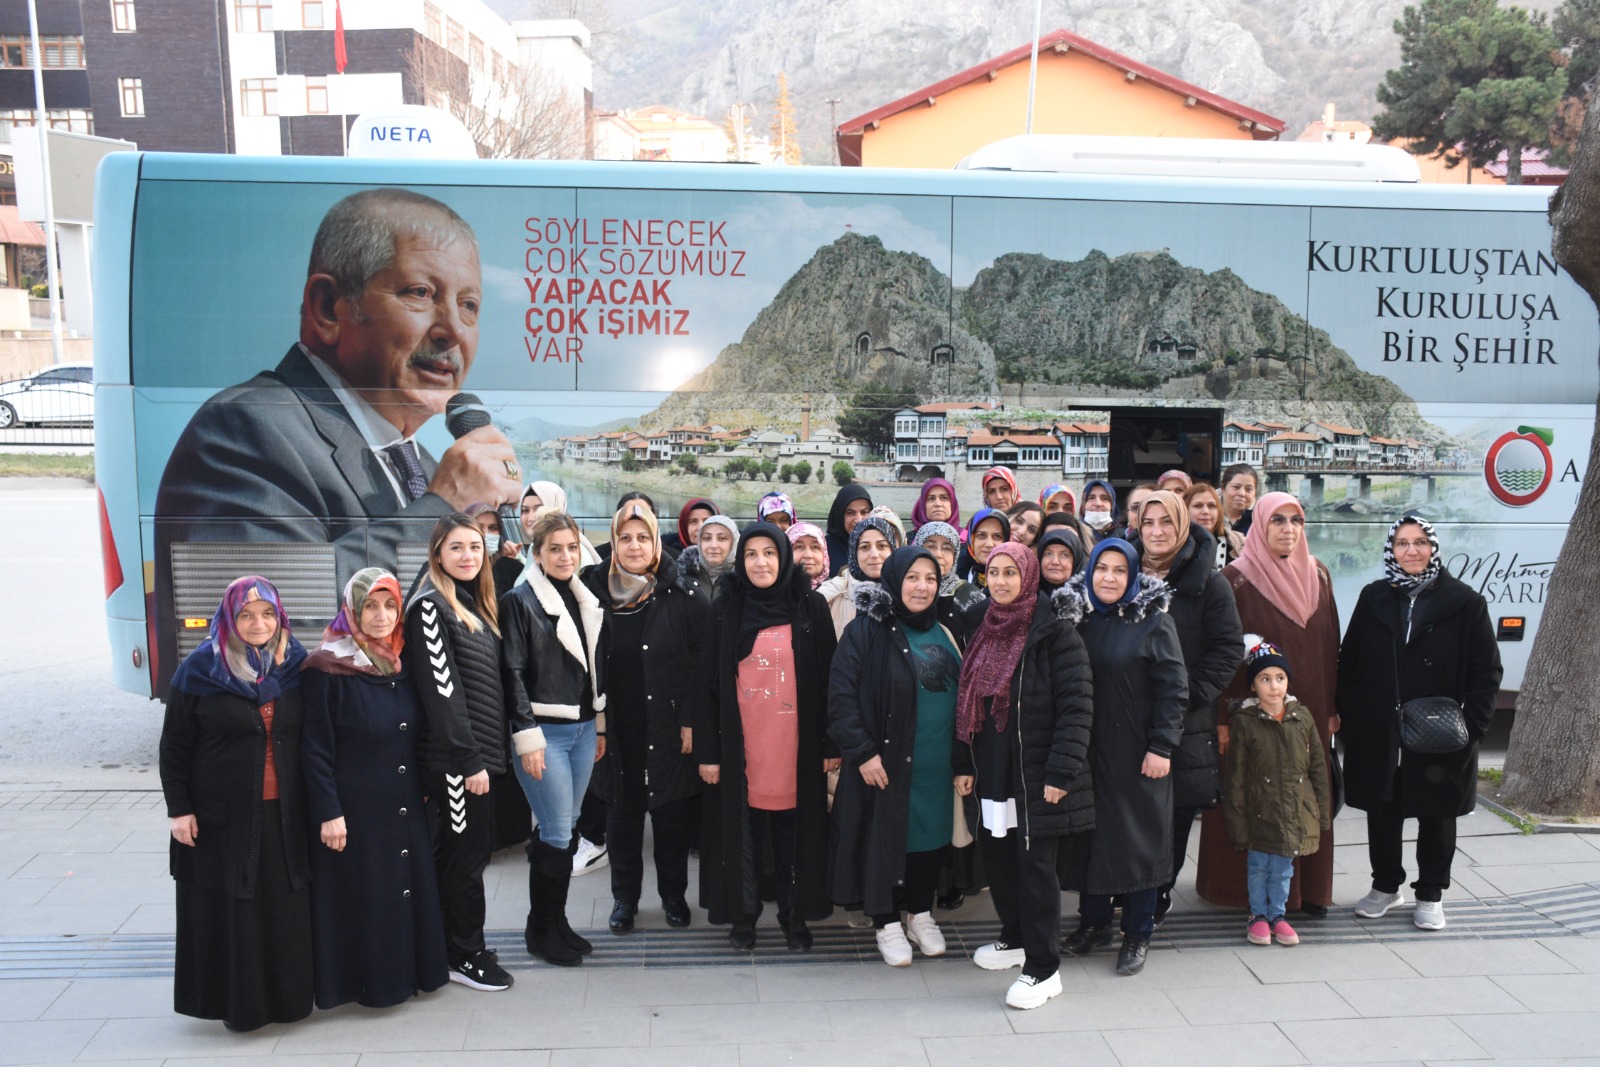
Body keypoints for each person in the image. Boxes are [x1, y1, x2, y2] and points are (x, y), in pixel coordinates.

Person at [154, 189, 515, 696]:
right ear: (327, 307)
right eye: (419, 292)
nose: (453, 330)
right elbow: (270, 629)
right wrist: (441, 510)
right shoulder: (243, 427)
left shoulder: (422, 461)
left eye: (469, 305)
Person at [161, 576, 313, 1031]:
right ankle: (242, 1007)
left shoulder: (297, 666)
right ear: (229, 618)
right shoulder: (199, 670)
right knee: (237, 914)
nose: (257, 623)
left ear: (280, 616)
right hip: (221, 818)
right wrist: (179, 808)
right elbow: (174, 747)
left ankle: (288, 1002)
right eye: (246, 615)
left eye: (267, 613)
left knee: (281, 909)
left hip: (286, 813)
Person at [1337, 515, 1502, 931]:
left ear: (1434, 547)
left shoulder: (1465, 601)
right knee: (1383, 809)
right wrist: (1352, 717)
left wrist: (1472, 728)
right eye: (1402, 543)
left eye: (1420, 542)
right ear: (1391, 549)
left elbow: (1487, 673)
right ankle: (1386, 885)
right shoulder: (1374, 596)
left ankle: (1430, 893)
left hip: (1441, 733)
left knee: (1437, 813)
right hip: (1381, 728)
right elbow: (1350, 660)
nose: (1411, 551)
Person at [301, 568, 449, 1007]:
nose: (382, 616)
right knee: (368, 897)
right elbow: (314, 750)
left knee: (402, 891)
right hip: (355, 810)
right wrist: (329, 812)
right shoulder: (327, 668)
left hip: (403, 805)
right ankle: (371, 986)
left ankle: (408, 976)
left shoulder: (401, 661)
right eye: (370, 605)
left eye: (389, 605)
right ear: (352, 610)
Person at [960, 543, 1094, 1009]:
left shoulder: (1054, 631)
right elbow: (967, 700)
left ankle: (1044, 968)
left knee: (1037, 870)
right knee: (999, 859)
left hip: (1037, 773)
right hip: (994, 769)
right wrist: (965, 764)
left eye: (1009, 573)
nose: (999, 581)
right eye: (993, 572)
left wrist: (1061, 771)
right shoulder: (982, 624)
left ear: (1029, 576)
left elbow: (1078, 707)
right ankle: (1015, 938)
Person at [1196, 493, 1341, 917]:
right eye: (1276, 520)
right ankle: (1244, 895)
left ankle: (1309, 889)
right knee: (1252, 796)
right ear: (1259, 524)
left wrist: (1332, 708)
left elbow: (1331, 644)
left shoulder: (1320, 575)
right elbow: (1221, 653)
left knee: (1306, 795)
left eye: (1296, 520)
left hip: (1309, 711)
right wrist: (1224, 716)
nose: (1287, 529)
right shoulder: (1234, 579)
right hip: (1252, 718)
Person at [699, 524, 837, 949]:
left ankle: (795, 915)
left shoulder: (810, 606)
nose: (761, 562)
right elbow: (706, 685)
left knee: (794, 834)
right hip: (744, 746)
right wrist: (709, 753)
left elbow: (831, 681)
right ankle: (745, 917)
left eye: (769, 553)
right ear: (741, 561)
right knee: (746, 834)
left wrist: (832, 745)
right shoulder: (726, 608)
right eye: (752, 554)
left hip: (797, 745)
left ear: (783, 558)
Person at [831, 546, 967, 967]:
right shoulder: (865, 630)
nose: (922, 586)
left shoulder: (946, 628)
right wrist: (864, 753)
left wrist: (963, 760)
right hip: (884, 766)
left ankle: (920, 913)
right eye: (912, 577)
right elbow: (840, 699)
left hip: (935, 764)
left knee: (929, 839)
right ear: (894, 579)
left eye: (930, 578)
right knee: (885, 839)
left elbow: (965, 701)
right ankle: (886, 920)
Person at [581, 502, 711, 935]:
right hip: (615, 727)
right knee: (623, 817)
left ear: (656, 542)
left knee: (672, 817)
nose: (634, 546)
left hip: (669, 724)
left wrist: (692, 719)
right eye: (625, 537)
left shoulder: (684, 593)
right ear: (613, 543)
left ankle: (673, 896)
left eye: (642, 537)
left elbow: (701, 665)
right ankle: (625, 900)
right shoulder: (591, 592)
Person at [1061, 539, 1186, 978]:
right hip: (1090, 752)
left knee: (1140, 843)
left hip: (1139, 754)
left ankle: (1138, 931)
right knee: (1093, 841)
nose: (1109, 578)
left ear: (1133, 575)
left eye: (1119, 570)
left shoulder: (1153, 622)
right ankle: (1094, 923)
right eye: (1101, 569)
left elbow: (1174, 690)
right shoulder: (1078, 618)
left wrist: (1162, 746)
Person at [405, 513, 516, 992]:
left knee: (468, 857)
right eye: (457, 548)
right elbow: (442, 695)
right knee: (462, 862)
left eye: (475, 546)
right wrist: (470, 761)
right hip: (456, 765)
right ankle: (462, 954)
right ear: (438, 555)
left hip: (479, 759)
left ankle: (457, 943)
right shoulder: (430, 608)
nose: (469, 555)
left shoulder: (475, 604)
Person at [500, 511, 609, 965]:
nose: (565, 556)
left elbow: (594, 668)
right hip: (544, 733)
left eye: (571, 547)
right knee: (557, 833)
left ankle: (555, 922)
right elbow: (513, 674)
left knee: (565, 828)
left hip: (584, 729)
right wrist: (527, 737)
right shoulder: (519, 600)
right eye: (555, 549)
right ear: (537, 553)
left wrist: (599, 725)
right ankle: (540, 929)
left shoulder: (584, 596)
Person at [1137, 491, 1243, 925]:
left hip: (1184, 721)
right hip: (1127, 716)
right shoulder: (1120, 572)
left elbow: (1227, 648)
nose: (1157, 531)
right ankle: (1128, 892)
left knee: (1174, 817)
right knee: (1129, 812)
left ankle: (1158, 894)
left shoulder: (1208, 581)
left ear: (1181, 525)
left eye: (1167, 522)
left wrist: (1187, 694)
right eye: (1149, 523)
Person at [1225, 637, 1331, 947]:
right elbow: (1236, 780)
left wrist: (1320, 814)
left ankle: (1278, 915)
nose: (1274, 686)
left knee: (1284, 869)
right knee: (1259, 866)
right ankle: (1258, 916)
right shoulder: (1245, 723)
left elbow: (1317, 771)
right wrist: (1238, 823)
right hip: (1260, 813)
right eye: (1265, 679)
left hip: (1294, 813)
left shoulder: (1302, 718)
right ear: (1253, 686)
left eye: (1280, 678)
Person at [818, 515, 895, 638]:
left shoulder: (908, 593)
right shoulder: (830, 596)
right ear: (854, 553)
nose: (874, 554)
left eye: (881, 546)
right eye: (865, 547)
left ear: (892, 550)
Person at [519, 481, 601, 569]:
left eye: (538, 509)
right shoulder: (535, 547)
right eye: (525, 510)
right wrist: (517, 557)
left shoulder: (576, 553)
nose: (531, 518)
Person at [466, 503, 524, 597]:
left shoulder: (512, 569)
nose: (486, 533)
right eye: (479, 527)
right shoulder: (459, 568)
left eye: (493, 528)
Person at [1184, 482, 1244, 570]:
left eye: (1211, 506)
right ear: (1185, 510)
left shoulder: (1239, 542)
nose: (1206, 511)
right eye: (1198, 506)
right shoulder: (1174, 544)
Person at [679, 514, 740, 599]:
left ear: (734, 543)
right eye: (707, 538)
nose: (713, 545)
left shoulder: (745, 580)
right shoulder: (681, 576)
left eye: (722, 538)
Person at [825, 485, 874, 576]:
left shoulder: (879, 546)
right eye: (850, 513)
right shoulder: (824, 548)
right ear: (840, 515)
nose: (859, 520)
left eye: (864, 512)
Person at [957, 507, 1010, 585]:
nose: (989, 544)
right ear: (972, 539)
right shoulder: (955, 575)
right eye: (982, 535)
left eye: (997, 536)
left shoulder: (1015, 581)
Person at [1036, 525, 1086, 594]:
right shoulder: (1023, 593)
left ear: (1076, 561)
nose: (1055, 562)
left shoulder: (1090, 598)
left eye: (1064, 555)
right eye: (1048, 553)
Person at [787, 521, 830, 590]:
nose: (808, 555)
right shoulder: (775, 592)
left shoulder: (838, 592)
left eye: (815, 547)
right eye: (799, 547)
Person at [1221, 463, 1259, 536]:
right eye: (1236, 487)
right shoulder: (1209, 515)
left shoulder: (1258, 520)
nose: (1242, 493)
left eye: (1248, 489)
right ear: (1223, 488)